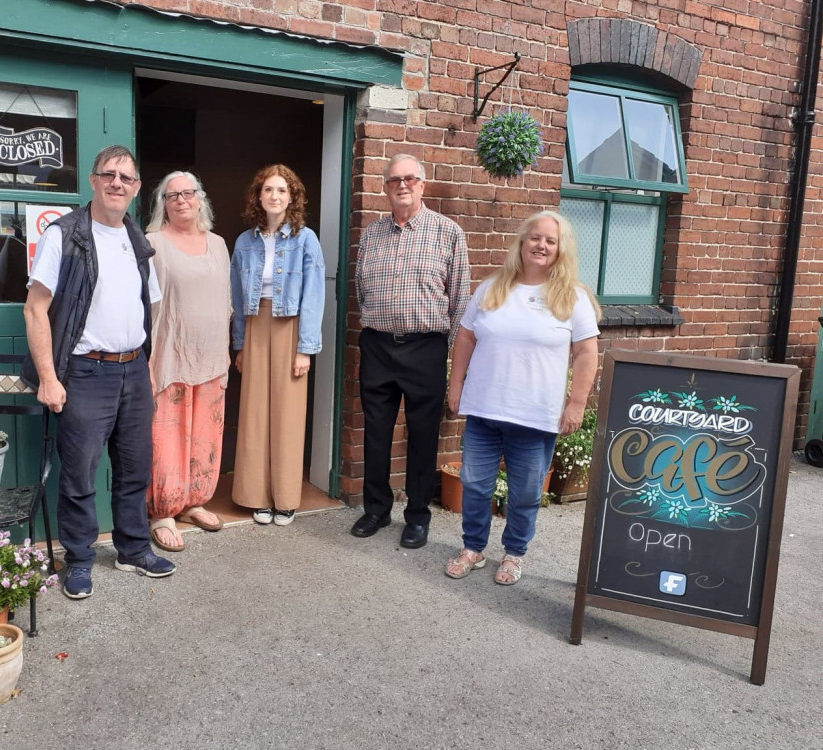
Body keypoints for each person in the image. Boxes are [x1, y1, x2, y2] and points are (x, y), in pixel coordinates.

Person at [21, 144, 176, 600]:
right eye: (108, 174)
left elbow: (152, 309)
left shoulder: (137, 241)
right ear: (92, 180)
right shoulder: (65, 235)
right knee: (80, 475)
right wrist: (49, 377)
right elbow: (35, 309)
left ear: (135, 189)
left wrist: (147, 367)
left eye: (126, 178)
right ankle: (80, 560)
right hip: (85, 373)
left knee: (134, 471)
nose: (116, 183)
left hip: (133, 371)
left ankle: (132, 549)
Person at [444, 210, 600, 585]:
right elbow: (465, 337)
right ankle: (473, 548)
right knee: (476, 484)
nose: (541, 245)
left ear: (561, 249)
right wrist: (455, 384)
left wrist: (576, 403)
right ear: (522, 242)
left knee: (526, 493)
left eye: (551, 240)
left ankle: (514, 553)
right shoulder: (493, 287)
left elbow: (586, 353)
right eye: (535, 237)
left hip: (535, 416)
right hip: (485, 409)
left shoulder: (572, 297)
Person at [351, 154, 471, 549]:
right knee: (376, 433)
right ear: (385, 188)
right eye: (393, 180)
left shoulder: (448, 233)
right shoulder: (370, 235)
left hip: (425, 349)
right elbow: (361, 290)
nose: (401, 185)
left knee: (423, 436)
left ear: (422, 185)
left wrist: (444, 350)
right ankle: (376, 509)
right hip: (379, 347)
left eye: (409, 179)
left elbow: (459, 299)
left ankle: (417, 516)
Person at [230, 164, 325, 526]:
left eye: (282, 190)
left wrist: (305, 348)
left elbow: (315, 295)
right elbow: (238, 297)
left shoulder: (305, 239)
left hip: (290, 325)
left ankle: (285, 497)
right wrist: (240, 343)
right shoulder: (244, 241)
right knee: (254, 412)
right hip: (255, 324)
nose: (274, 196)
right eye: (268, 190)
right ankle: (257, 496)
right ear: (258, 196)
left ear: (292, 197)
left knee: (287, 413)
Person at [143, 171, 230, 552]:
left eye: (187, 193)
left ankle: (194, 501)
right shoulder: (153, 244)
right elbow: (143, 306)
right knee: (166, 437)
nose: (180, 199)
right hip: (170, 357)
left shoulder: (219, 244)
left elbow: (226, 302)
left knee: (205, 436)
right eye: (171, 194)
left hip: (211, 357)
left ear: (200, 199)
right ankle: (162, 512)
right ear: (163, 203)